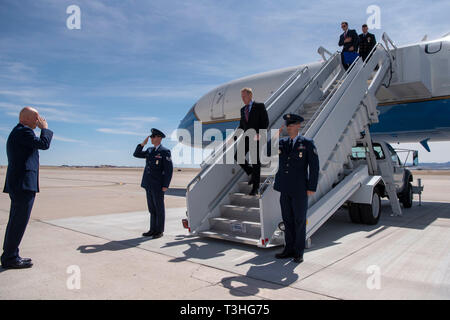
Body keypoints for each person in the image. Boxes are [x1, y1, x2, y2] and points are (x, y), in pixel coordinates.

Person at [1, 107, 53, 269]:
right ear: (30, 118)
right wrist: (45, 129)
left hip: (19, 183)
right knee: (18, 221)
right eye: (36, 117)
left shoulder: (19, 131)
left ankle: (10, 254)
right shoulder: (24, 131)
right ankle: (10, 257)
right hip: (23, 184)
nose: (39, 119)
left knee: (16, 221)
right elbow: (43, 144)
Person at [273, 114, 319, 264]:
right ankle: (288, 249)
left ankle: (298, 252)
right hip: (284, 188)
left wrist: (311, 186)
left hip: (300, 189)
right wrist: (275, 136)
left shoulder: (307, 143)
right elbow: (266, 151)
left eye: (291, 125)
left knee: (299, 220)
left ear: (298, 126)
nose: (289, 127)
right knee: (287, 220)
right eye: (287, 125)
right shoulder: (282, 142)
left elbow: (314, 167)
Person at [133, 128, 173, 239]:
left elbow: (169, 170)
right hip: (148, 184)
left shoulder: (165, 151)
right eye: (151, 137)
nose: (151, 138)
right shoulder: (150, 150)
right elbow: (136, 154)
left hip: (158, 185)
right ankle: (152, 229)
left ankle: (159, 231)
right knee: (152, 209)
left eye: (153, 136)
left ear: (159, 138)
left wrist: (166, 185)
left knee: (159, 208)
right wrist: (142, 144)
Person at [234, 87, 269, 196]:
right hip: (247, 137)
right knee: (238, 156)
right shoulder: (242, 110)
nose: (242, 98)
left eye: (244, 96)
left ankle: (255, 187)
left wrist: (260, 133)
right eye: (242, 97)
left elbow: (265, 122)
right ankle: (252, 173)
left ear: (250, 95)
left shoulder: (259, 106)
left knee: (255, 161)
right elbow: (241, 125)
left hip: (257, 137)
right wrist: (235, 137)